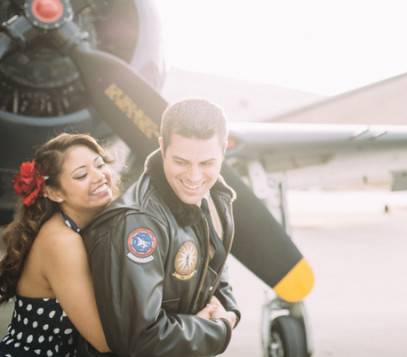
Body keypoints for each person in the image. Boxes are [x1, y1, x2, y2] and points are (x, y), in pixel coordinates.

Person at [81, 99, 239, 357]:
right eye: (181, 161)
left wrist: (229, 311)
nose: (194, 177)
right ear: (162, 146)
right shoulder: (137, 224)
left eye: (207, 163)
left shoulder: (214, 196)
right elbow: (140, 339)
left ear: (224, 149)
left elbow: (213, 264)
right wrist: (218, 330)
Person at [0, 133, 115, 356]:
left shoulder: (84, 226)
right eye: (81, 175)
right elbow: (104, 342)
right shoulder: (61, 242)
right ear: (53, 192)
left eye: (99, 165)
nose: (99, 176)